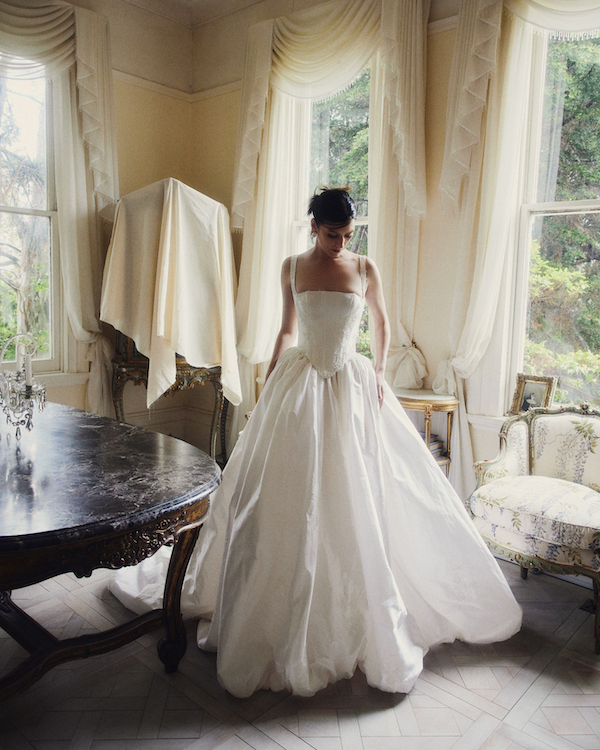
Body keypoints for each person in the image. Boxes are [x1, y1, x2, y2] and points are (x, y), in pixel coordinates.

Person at [110, 187, 522, 698]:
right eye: (332, 234)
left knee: (360, 488)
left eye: (347, 235)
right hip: (301, 382)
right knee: (286, 491)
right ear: (313, 227)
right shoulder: (291, 267)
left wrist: (378, 371)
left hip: (351, 383)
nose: (340, 243)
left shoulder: (365, 268)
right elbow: (287, 331)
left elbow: (382, 323)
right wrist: (272, 380)